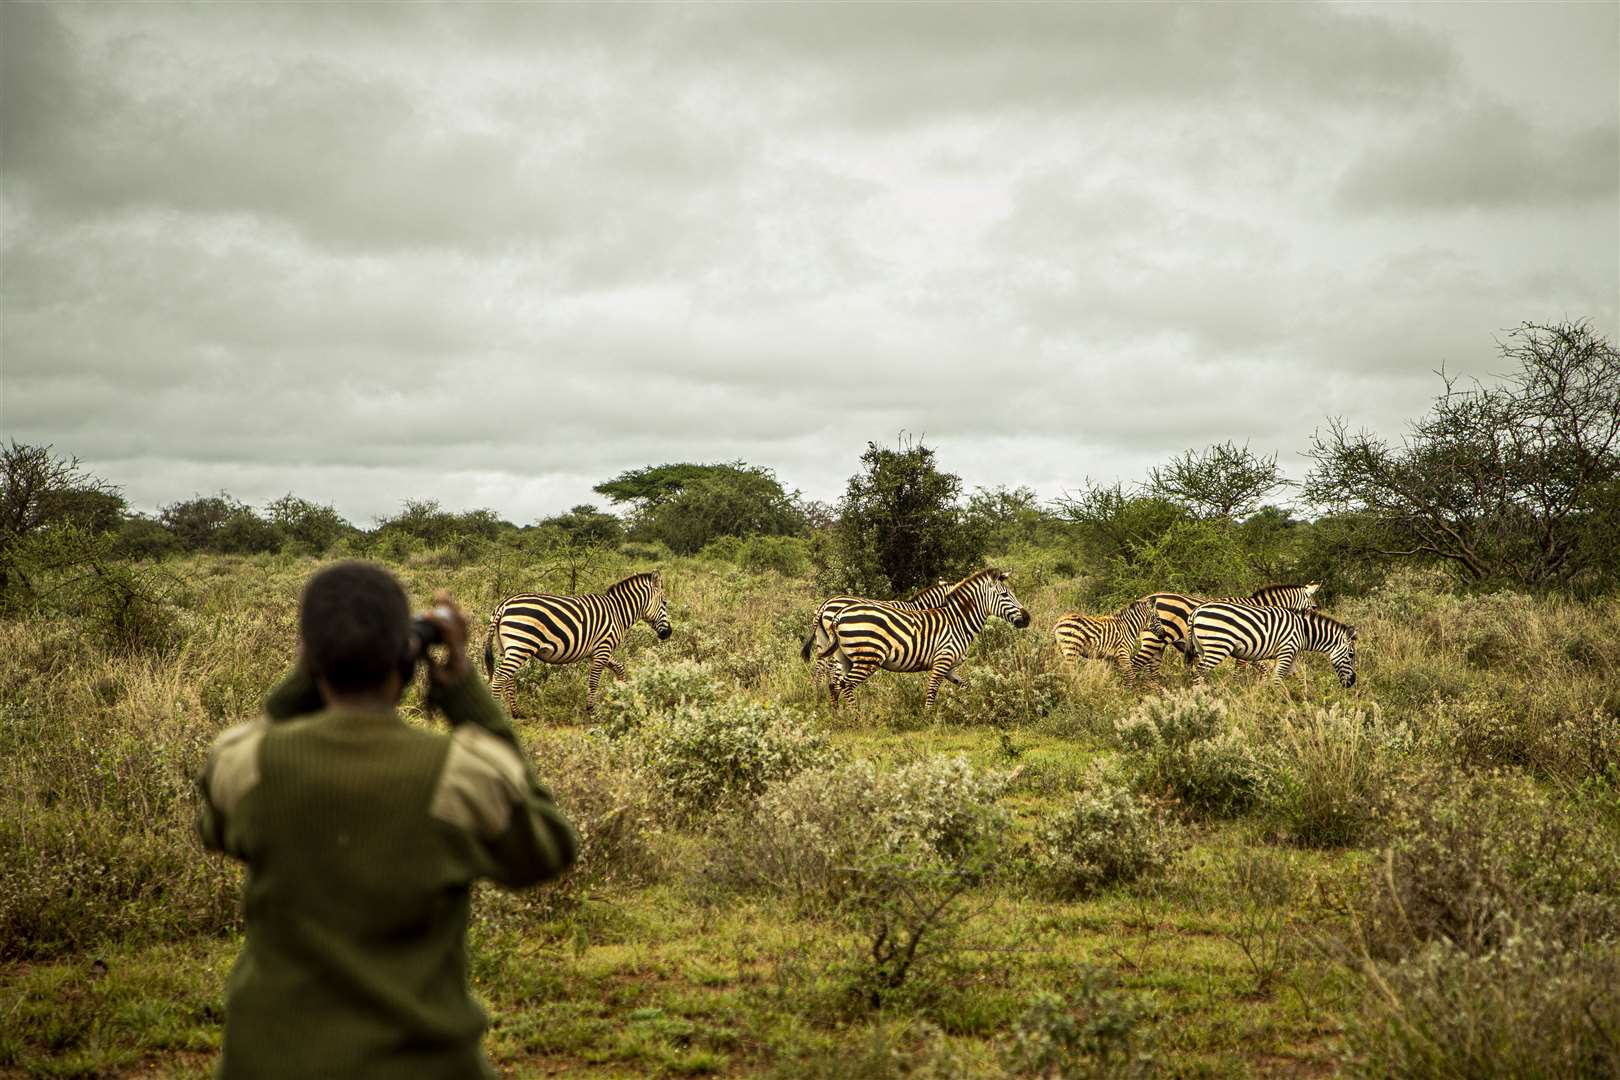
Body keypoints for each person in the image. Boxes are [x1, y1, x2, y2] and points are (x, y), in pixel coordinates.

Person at [196, 561, 577, 1079]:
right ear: (406, 654)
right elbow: (549, 849)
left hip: (268, 1061)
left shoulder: (244, 764)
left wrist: (306, 679)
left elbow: (214, 822)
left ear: (308, 659)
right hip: (425, 1064)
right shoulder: (461, 773)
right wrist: (470, 699)